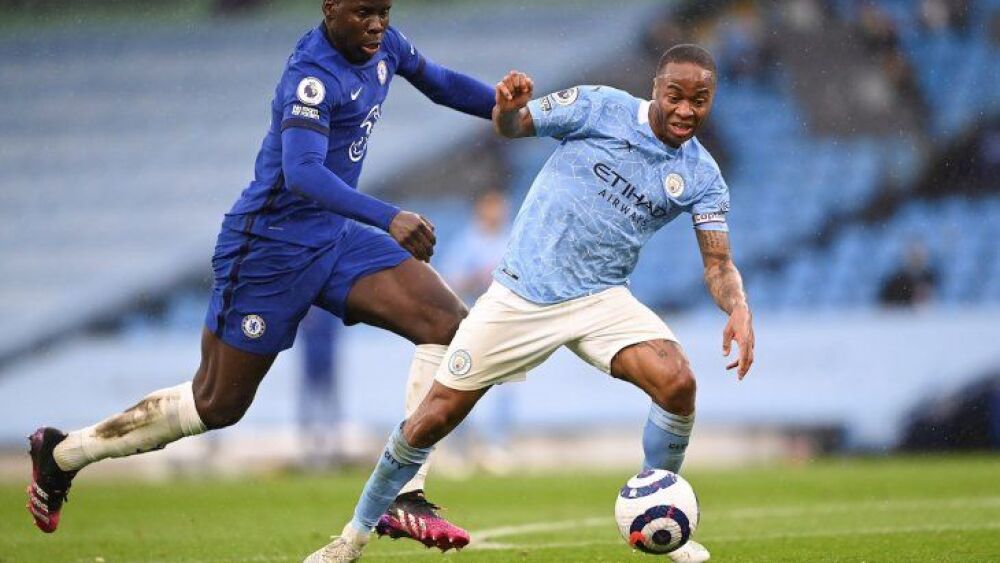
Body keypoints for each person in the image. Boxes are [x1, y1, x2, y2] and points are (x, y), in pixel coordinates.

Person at [26, 0, 498, 551]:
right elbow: (301, 174)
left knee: (447, 325)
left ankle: (404, 494)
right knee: (217, 404)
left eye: (385, 11)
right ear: (330, 8)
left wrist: (517, 109)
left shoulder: (383, 45)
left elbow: (440, 82)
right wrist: (387, 215)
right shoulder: (312, 77)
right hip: (268, 249)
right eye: (364, 12)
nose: (377, 24)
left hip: (333, 238)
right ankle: (63, 454)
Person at [307, 44, 755, 563]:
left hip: (602, 297)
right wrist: (508, 106)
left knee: (678, 382)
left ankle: (661, 506)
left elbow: (718, 264)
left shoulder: (701, 175)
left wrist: (738, 305)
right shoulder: (599, 107)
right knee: (431, 419)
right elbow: (513, 127)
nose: (685, 110)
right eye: (675, 95)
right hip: (522, 294)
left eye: (699, 100)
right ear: (655, 88)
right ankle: (353, 537)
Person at [439, 189, 516, 472]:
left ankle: (497, 446)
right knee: (462, 382)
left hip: (506, 322)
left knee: (505, 387)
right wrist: (475, 278)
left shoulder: (514, 238)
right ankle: (459, 449)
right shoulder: (467, 242)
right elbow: (450, 282)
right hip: (472, 321)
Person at [297, 307, 343, 468]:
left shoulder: (329, 313)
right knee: (310, 408)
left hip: (327, 364)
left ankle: (332, 446)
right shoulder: (306, 311)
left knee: (329, 407)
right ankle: (309, 447)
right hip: (310, 366)